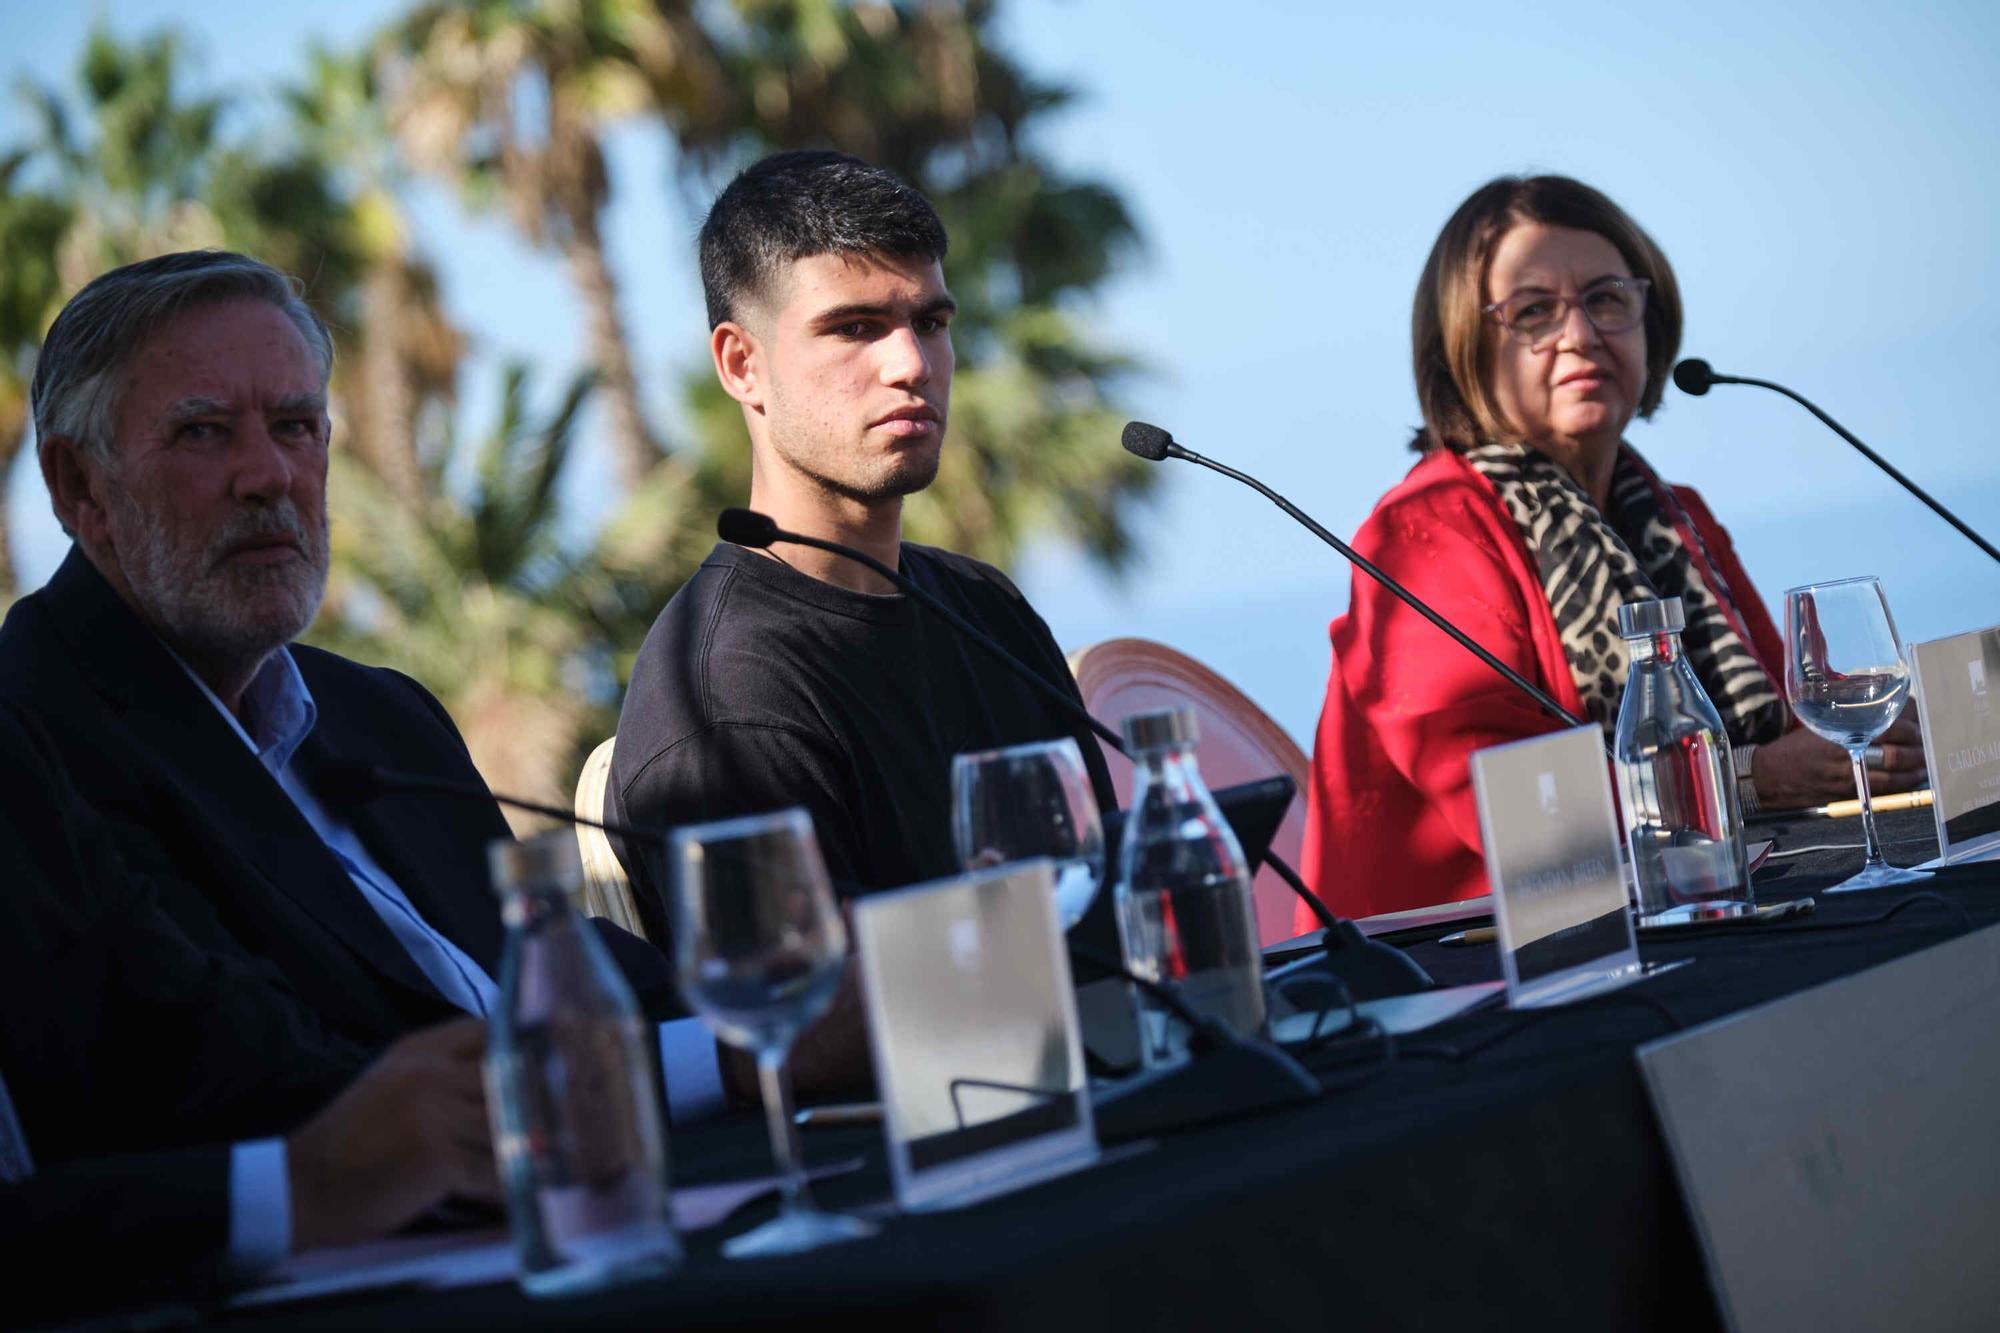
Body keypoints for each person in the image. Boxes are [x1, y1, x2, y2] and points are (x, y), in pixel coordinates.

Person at [4, 250, 724, 1123]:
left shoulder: (384, 717)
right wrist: (725, 1059)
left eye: (298, 425)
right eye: (204, 432)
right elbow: (267, 1087)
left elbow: (561, 972)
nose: (269, 475)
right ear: (80, 486)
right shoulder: (39, 739)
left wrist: (772, 1015)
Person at [1300, 175, 1927, 921]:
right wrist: (1754, 780)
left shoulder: (1674, 513)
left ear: (1647, 321)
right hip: (1462, 969)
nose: (1581, 334)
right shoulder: (1425, 532)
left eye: (1606, 298)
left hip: (1690, 911)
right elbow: (1519, 808)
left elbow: (1787, 719)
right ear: (1462, 348)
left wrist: (1878, 740)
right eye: (1533, 312)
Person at [608, 149, 1115, 941]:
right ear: (743, 365)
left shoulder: (987, 609)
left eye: (932, 322)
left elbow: (1104, 895)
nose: (911, 363)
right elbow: (802, 1027)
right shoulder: (729, 701)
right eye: (854, 328)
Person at [0, 701, 496, 1320]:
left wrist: (467, 1123)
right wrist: (294, 1188)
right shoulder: (61, 706)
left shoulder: (11, 747)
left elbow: (193, 1024)